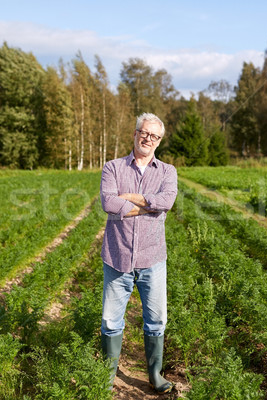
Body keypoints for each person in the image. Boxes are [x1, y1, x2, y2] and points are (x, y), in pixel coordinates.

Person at [99, 112, 177, 394]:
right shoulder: (113, 168)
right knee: (110, 320)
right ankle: (108, 377)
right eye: (144, 132)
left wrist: (130, 198)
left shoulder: (167, 171)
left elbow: (166, 201)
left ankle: (155, 374)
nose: (148, 138)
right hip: (117, 256)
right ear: (134, 133)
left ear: (159, 141)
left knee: (156, 320)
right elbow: (109, 203)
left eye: (154, 136)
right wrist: (148, 206)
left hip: (152, 258)